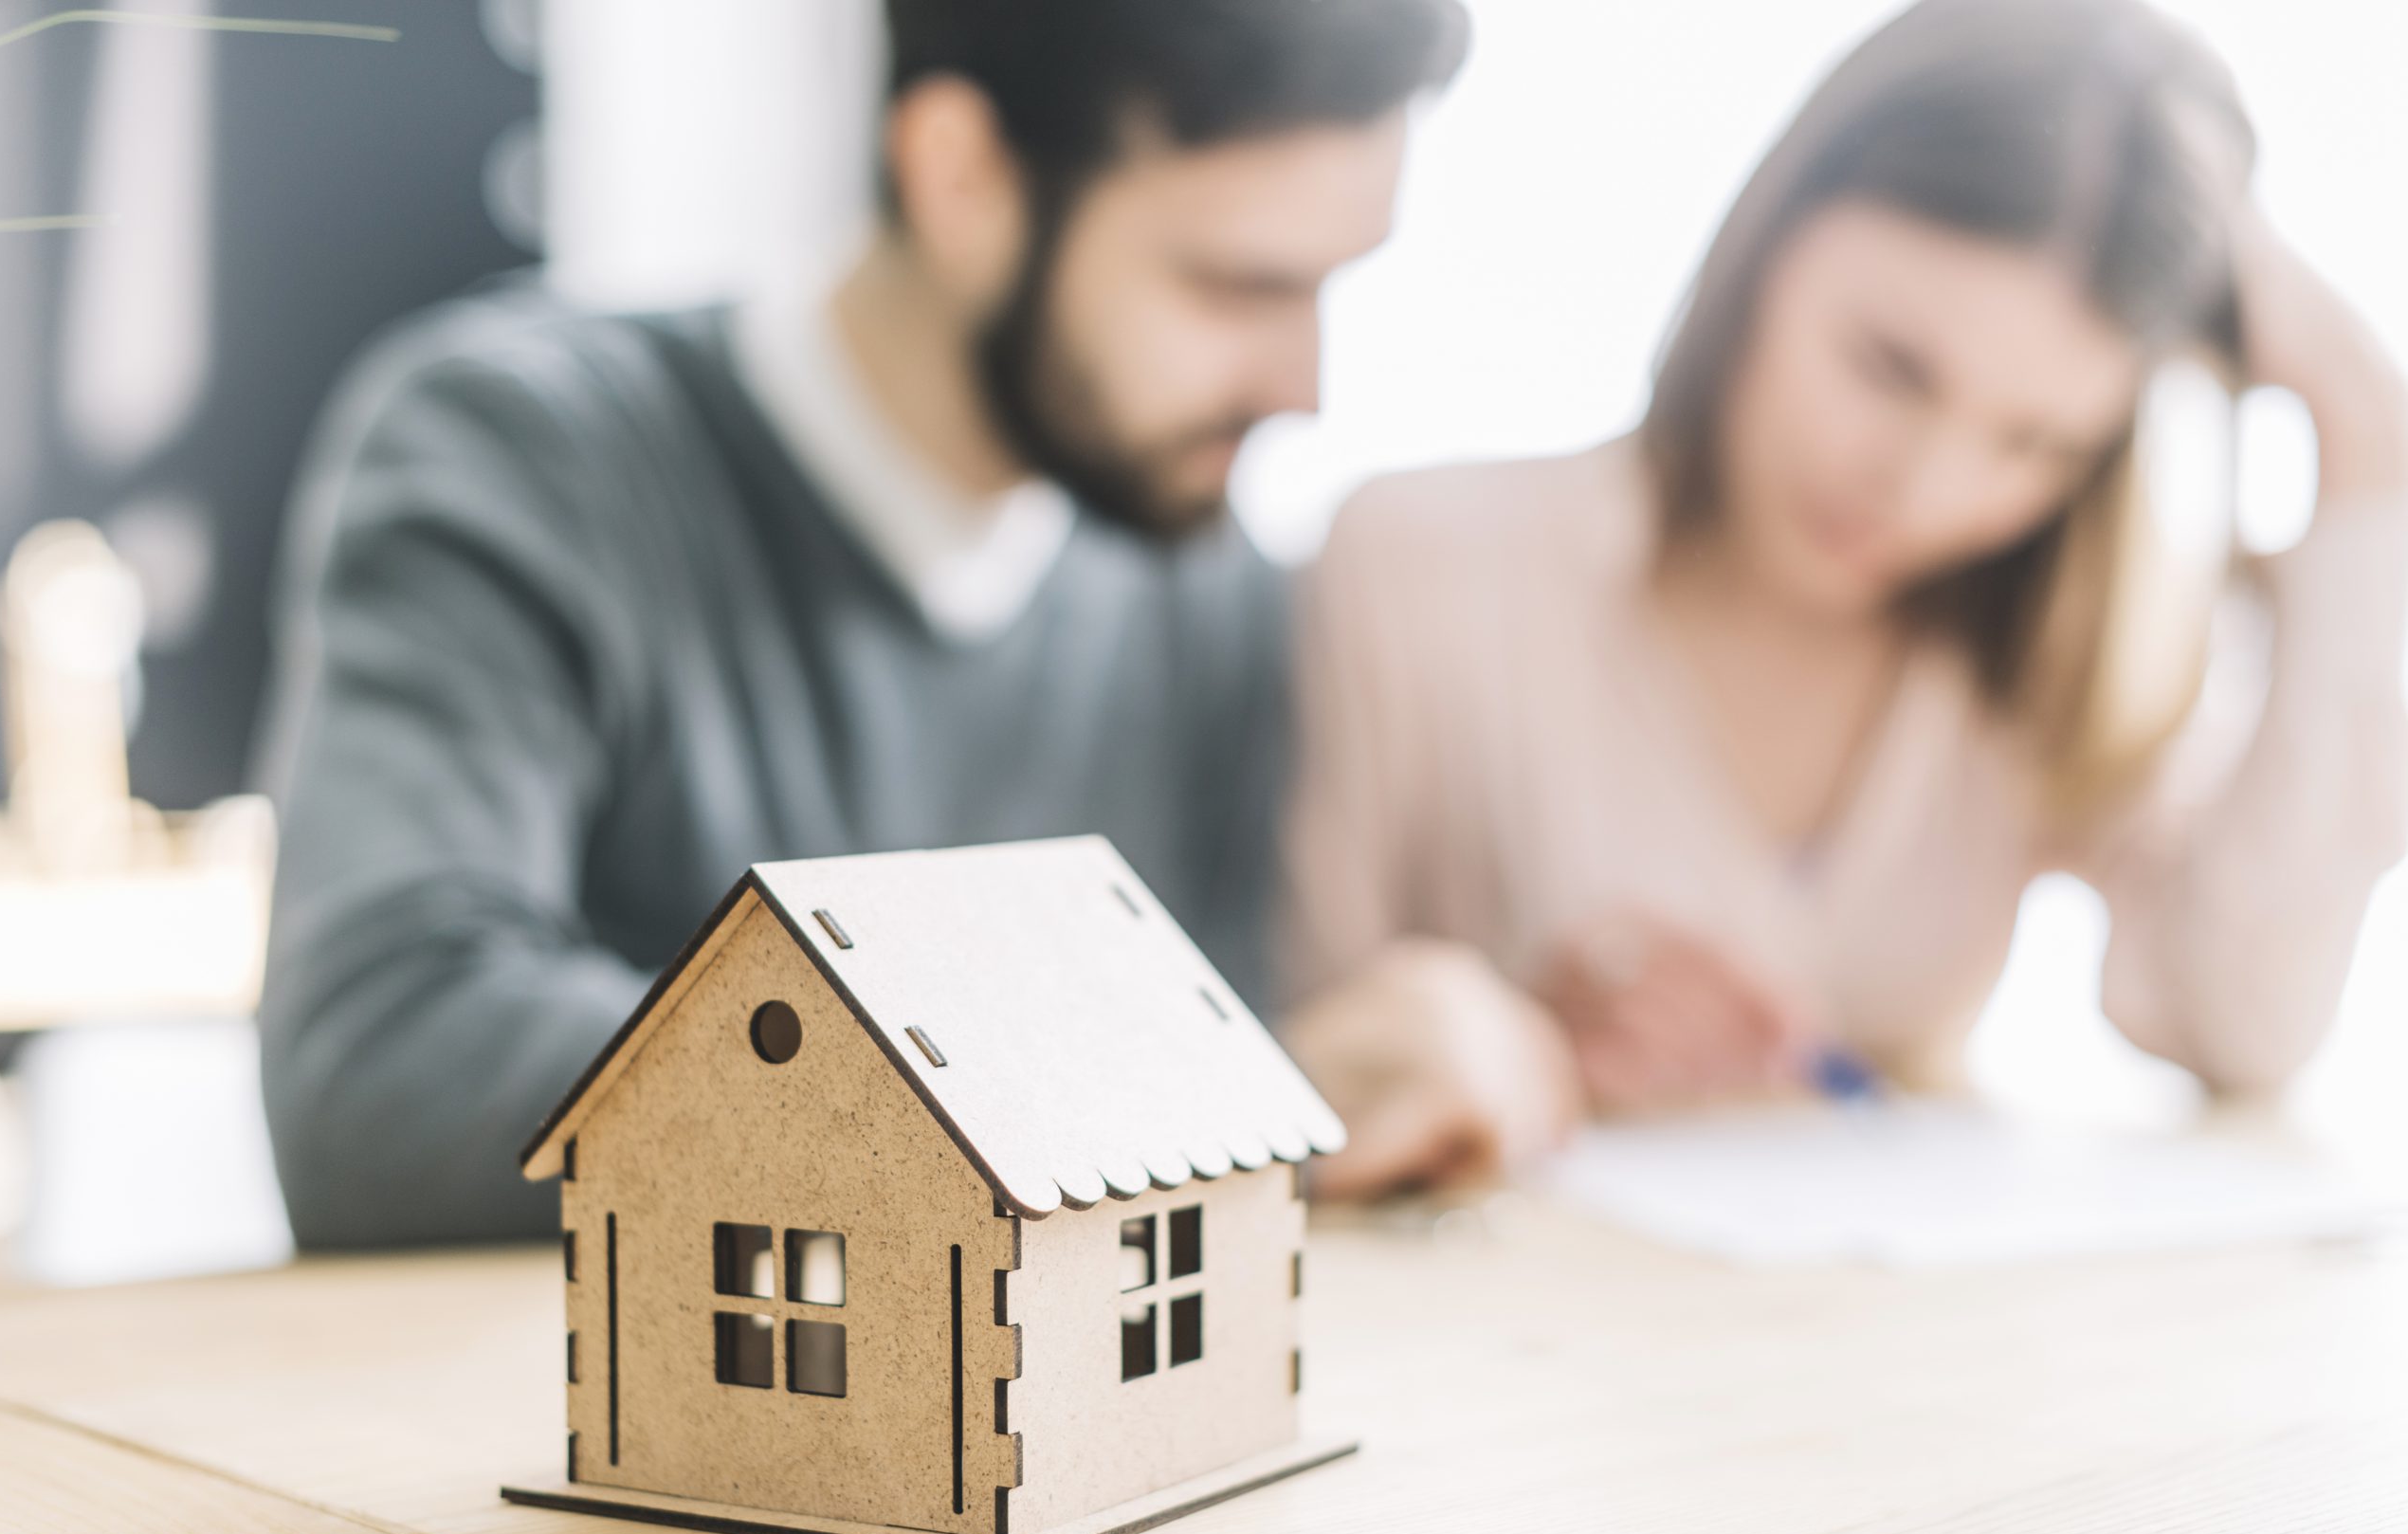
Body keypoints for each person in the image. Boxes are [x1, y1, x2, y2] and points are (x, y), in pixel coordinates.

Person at [257, 0, 1469, 1246]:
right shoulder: (521, 456)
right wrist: (1125, 1082)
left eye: (1328, 290)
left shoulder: (1206, 590)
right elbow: (381, 1079)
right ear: (960, 173)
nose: (1302, 387)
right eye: (1234, 284)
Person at [1283, 0, 2408, 1198]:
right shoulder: (1420, 566)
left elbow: (2240, 1024)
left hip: (1886, 1357)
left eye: (2033, 442)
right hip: (1508, 1355)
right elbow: (1303, 1080)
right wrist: (1519, 1048)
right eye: (1889, 367)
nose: (1924, 489)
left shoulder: (2050, 650)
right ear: (1770, 240)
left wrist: (2369, 438)